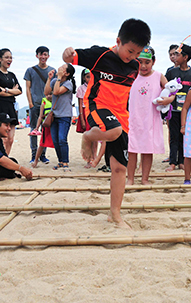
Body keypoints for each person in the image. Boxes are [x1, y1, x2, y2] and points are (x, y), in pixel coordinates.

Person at [63, 18, 151, 229]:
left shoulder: (135, 66)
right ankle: (88, 136)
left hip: (121, 115)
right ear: (118, 41)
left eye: (138, 53)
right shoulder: (100, 55)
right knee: (113, 130)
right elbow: (72, 57)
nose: (133, 56)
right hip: (96, 106)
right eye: (130, 51)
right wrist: (67, 54)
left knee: (121, 168)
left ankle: (115, 215)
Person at [127, 46, 172, 185]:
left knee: (147, 151)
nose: (143, 66)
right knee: (132, 150)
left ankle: (144, 178)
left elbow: (171, 90)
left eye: (147, 62)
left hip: (150, 119)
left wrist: (169, 99)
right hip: (133, 119)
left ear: (153, 61)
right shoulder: (131, 75)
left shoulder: (158, 76)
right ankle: (130, 179)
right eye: (140, 62)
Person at [165, 43, 191, 172]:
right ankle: (172, 162)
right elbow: (165, 89)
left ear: (185, 57)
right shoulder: (171, 72)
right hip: (173, 110)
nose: (175, 57)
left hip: (188, 112)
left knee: (185, 136)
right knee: (174, 136)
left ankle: (182, 161)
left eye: (177, 54)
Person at [0, 48, 22, 155]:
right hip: (0, 107)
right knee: (3, 138)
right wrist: (13, 91)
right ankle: (1, 159)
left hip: (11, 107)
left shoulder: (11, 75)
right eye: (6, 57)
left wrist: (6, 90)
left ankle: (6, 158)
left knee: (10, 139)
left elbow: (20, 91)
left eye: (11, 57)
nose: (9, 60)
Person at [44, 63, 76, 171]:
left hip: (65, 116)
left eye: (62, 68)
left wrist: (57, 78)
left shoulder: (68, 84)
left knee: (62, 139)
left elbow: (57, 92)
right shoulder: (55, 81)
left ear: (67, 73)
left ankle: (65, 161)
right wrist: (49, 79)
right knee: (56, 140)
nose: (59, 68)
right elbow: (46, 92)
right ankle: (60, 162)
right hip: (54, 115)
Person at [24, 46, 54, 165]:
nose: (43, 57)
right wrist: (30, 103)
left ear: (48, 56)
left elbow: (54, 87)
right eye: (41, 54)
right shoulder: (30, 70)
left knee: (45, 129)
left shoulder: (52, 70)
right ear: (37, 56)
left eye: (45, 54)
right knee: (33, 130)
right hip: (35, 104)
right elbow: (27, 88)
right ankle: (33, 155)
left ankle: (42, 156)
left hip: (48, 105)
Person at [76, 68, 96, 168]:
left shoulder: (96, 87)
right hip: (85, 112)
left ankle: (95, 157)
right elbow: (80, 105)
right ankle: (89, 159)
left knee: (95, 137)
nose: (89, 78)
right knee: (87, 138)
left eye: (91, 76)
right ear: (84, 78)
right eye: (88, 76)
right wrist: (82, 118)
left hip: (94, 112)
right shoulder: (81, 88)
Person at [31, 95, 54, 168]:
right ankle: (36, 160)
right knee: (42, 144)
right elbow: (40, 117)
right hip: (46, 126)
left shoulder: (57, 101)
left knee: (58, 142)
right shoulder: (43, 103)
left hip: (54, 125)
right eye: (47, 94)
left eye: (50, 94)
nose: (48, 96)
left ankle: (62, 161)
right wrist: (37, 127)